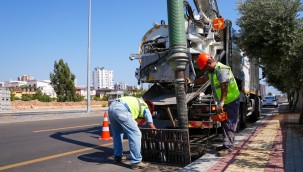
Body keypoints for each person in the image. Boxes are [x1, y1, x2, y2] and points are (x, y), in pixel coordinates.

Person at [196, 53, 240, 156]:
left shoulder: (221, 70)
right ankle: (226, 144)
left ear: (209, 62)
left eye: (206, 67)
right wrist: (191, 82)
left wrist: (221, 102)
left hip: (231, 100)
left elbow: (224, 87)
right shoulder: (212, 71)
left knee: (230, 124)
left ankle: (228, 148)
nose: (206, 70)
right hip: (224, 101)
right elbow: (203, 79)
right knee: (224, 123)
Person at [108, 96, 156, 169]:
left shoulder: (137, 103)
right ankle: (136, 162)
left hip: (111, 108)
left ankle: (118, 157)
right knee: (136, 134)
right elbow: (149, 121)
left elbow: (133, 120)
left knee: (117, 134)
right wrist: (154, 130)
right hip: (122, 109)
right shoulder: (145, 107)